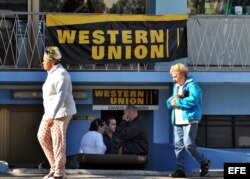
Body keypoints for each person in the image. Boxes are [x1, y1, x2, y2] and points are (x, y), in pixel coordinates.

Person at [37, 46, 77, 179]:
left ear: (52, 60)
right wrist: (49, 114)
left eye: (44, 60)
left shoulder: (62, 74)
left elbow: (61, 96)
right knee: (42, 137)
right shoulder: (52, 74)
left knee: (58, 141)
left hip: (60, 113)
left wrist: (52, 116)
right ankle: (54, 167)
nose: (42, 62)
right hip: (50, 112)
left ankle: (59, 173)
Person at [166, 63, 210, 178]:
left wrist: (178, 102)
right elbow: (170, 101)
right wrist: (171, 103)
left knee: (189, 144)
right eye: (172, 76)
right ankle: (180, 170)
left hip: (190, 119)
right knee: (178, 146)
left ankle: (204, 162)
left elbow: (193, 100)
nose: (173, 79)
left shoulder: (193, 86)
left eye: (175, 76)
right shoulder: (176, 87)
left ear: (182, 74)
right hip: (177, 119)